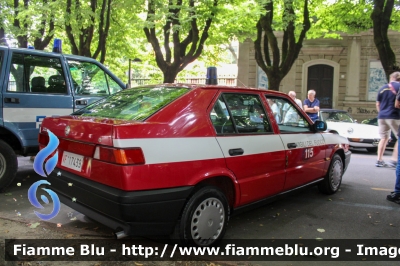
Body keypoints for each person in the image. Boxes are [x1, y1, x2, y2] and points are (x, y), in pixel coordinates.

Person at [375, 71, 400, 168]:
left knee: (383, 138)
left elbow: (378, 103)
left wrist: (381, 113)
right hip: (394, 116)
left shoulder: (382, 88)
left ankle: (379, 160)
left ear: (391, 78)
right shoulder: (399, 87)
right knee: (399, 138)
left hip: (381, 116)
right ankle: (394, 160)